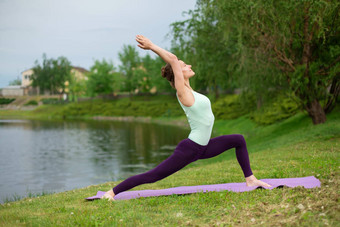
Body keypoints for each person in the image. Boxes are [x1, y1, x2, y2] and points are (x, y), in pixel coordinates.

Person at [102, 35, 271, 201]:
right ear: (178, 74)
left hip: (204, 147)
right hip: (191, 148)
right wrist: (152, 46)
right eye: (184, 65)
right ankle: (111, 193)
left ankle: (250, 180)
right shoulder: (181, 92)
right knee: (154, 175)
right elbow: (173, 59)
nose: (189, 65)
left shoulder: (191, 91)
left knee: (239, 140)